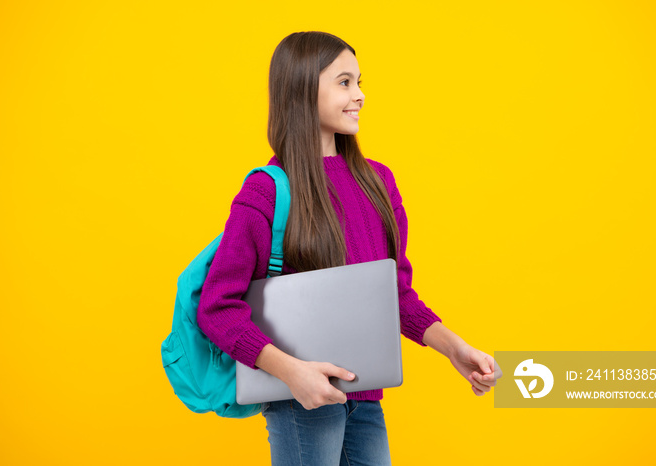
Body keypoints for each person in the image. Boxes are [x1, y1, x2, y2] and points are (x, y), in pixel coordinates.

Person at [197, 31, 502, 465]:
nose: (359, 96)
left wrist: (455, 348)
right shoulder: (266, 192)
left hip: (366, 398)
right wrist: (291, 373)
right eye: (344, 83)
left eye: (360, 82)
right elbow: (217, 306)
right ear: (302, 89)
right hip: (298, 402)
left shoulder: (378, 182)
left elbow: (394, 295)